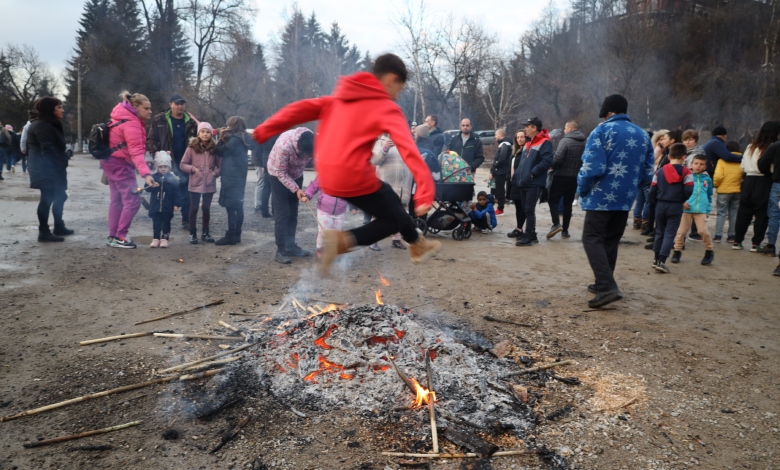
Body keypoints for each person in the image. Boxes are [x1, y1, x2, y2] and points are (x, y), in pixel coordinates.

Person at [252, 53, 439, 272]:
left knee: (391, 200)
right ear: (390, 79)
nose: (397, 96)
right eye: (398, 89)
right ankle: (343, 241)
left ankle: (416, 244)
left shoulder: (338, 99)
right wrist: (425, 190)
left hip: (329, 178)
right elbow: (409, 150)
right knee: (393, 219)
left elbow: (298, 109)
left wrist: (266, 128)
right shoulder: (386, 107)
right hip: (355, 176)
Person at [578, 94, 654, 307]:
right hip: (625, 198)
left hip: (600, 197)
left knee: (591, 238)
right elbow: (648, 173)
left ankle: (606, 286)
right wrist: (631, 188)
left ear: (606, 112)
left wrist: (582, 189)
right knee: (610, 240)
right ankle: (603, 281)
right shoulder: (643, 135)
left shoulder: (601, 131)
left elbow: (593, 167)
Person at [101, 92, 156, 248]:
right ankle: (120, 236)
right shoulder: (132, 123)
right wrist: (146, 174)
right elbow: (136, 152)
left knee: (117, 200)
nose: (150, 111)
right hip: (120, 165)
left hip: (110, 162)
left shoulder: (119, 117)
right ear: (135, 107)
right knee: (133, 201)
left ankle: (113, 236)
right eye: (146, 108)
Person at [146, 94, 199, 229]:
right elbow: (151, 139)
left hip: (186, 162)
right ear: (170, 105)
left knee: (187, 192)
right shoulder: (160, 119)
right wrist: (154, 153)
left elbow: (198, 140)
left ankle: (186, 220)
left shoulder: (190, 122)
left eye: (182, 104)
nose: (180, 106)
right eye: (177, 103)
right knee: (165, 191)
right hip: (167, 162)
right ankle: (164, 219)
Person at [263, 127, 314, 263]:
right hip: (278, 174)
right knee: (283, 212)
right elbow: (281, 173)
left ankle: (291, 246)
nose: (309, 158)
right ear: (300, 149)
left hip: (296, 174)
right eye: (308, 155)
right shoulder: (284, 146)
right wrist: (296, 189)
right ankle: (281, 250)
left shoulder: (313, 140)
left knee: (293, 212)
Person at [26, 97, 74, 242]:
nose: (62, 110)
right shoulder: (42, 125)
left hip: (52, 166)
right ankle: (44, 232)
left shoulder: (50, 124)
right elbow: (47, 149)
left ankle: (58, 226)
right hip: (45, 168)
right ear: (50, 110)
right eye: (59, 107)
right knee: (46, 199)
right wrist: (58, 167)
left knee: (60, 196)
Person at [733, 121, 779, 251]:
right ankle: (756, 243)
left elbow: (742, 165)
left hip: (748, 180)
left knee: (743, 211)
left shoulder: (750, 146)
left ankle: (737, 241)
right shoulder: (773, 147)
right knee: (761, 213)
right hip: (764, 181)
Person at [649, 143, 694, 273]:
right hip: (675, 205)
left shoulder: (659, 171)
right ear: (684, 157)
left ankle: (655, 259)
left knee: (659, 232)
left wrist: (655, 202)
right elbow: (690, 188)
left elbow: (652, 189)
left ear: (668, 156)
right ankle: (662, 261)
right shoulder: (686, 171)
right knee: (670, 234)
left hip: (661, 204)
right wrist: (682, 199)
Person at [512, 117, 554, 247]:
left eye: (527, 126)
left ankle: (529, 236)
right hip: (523, 182)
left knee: (529, 209)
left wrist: (532, 173)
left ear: (534, 128)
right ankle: (533, 235)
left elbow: (547, 160)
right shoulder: (528, 143)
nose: (525, 129)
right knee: (526, 209)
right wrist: (518, 175)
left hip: (534, 182)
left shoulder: (545, 142)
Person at [180, 122, 221, 245]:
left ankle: (205, 232)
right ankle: (192, 233)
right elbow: (183, 164)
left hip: (209, 182)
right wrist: (193, 169)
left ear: (211, 133)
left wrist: (214, 173)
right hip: (195, 182)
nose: (205, 134)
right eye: (202, 131)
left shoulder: (215, 149)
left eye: (207, 132)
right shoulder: (191, 148)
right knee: (194, 207)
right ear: (198, 133)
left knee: (206, 208)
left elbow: (221, 166)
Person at [372, 133, 414, 250]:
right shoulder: (380, 142)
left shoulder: (405, 142)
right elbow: (374, 160)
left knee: (400, 212)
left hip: (403, 183)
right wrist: (385, 148)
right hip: (386, 184)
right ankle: (373, 240)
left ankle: (396, 239)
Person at [671, 154, 714, 265]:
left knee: (703, 231)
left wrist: (708, 209)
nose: (698, 166)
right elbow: (679, 192)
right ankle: (677, 251)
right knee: (681, 232)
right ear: (691, 165)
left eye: (701, 164)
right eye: (696, 163)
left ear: (705, 167)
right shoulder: (687, 177)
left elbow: (709, 195)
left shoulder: (707, 179)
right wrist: (682, 202)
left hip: (701, 210)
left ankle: (709, 251)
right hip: (686, 209)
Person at [214, 116, 251, 246]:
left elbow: (219, 150)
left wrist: (221, 136)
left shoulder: (234, 140)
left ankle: (231, 236)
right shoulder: (244, 138)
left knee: (230, 207)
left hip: (231, 177)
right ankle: (237, 235)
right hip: (240, 177)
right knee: (239, 207)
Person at [547, 120, 585, 239]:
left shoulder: (565, 141)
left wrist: (551, 165)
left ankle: (556, 224)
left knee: (552, 199)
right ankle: (565, 231)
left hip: (561, 176)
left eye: (565, 128)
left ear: (570, 129)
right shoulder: (585, 141)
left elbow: (558, 158)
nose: (564, 130)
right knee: (568, 204)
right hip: (575, 177)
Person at [305, 175, 355, 257]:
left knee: (336, 234)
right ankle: (320, 251)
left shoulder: (348, 177)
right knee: (323, 232)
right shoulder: (325, 173)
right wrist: (307, 195)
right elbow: (314, 185)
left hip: (340, 212)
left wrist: (353, 206)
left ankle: (331, 252)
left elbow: (352, 192)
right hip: (324, 210)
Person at [143, 152, 183, 248]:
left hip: (167, 206)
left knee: (166, 223)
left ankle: (165, 238)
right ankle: (156, 238)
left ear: (169, 167)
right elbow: (147, 189)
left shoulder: (173, 178)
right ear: (157, 167)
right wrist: (152, 185)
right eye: (161, 167)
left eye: (165, 166)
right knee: (156, 223)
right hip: (155, 205)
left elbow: (177, 192)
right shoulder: (153, 177)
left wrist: (176, 204)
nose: (163, 169)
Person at [712, 141, 743, 243]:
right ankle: (731, 236)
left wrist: (716, 185)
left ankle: (718, 236)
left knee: (721, 213)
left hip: (724, 190)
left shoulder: (722, 160)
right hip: (738, 190)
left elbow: (718, 176)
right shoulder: (743, 160)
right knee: (734, 213)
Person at [681, 129, 707, 240]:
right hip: (688, 179)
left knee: (693, 204)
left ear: (695, 141)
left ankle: (694, 232)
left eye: (690, 140)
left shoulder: (696, 153)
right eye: (685, 140)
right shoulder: (686, 152)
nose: (687, 142)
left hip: (693, 181)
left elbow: (692, 168)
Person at [758, 138, 780, 257]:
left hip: (778, 183)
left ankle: (771, 245)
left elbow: (762, 164)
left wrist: (771, 174)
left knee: (774, 215)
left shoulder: (776, 146)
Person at [506, 130, 529, 239]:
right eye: (518, 137)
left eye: (522, 137)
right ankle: (519, 228)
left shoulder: (527, 151)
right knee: (518, 207)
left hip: (522, 183)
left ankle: (521, 229)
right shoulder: (515, 151)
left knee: (523, 207)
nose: (520, 139)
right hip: (513, 183)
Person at [489, 128, 512, 216]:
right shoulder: (503, 144)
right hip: (499, 171)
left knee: (500, 190)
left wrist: (495, 165)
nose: (495, 137)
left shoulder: (504, 144)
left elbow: (502, 158)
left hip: (501, 171)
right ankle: (498, 206)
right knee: (497, 189)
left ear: (500, 135)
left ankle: (500, 209)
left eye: (496, 135)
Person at [252, 136, 273, 218]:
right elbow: (259, 151)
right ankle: (258, 205)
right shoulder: (262, 137)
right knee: (261, 183)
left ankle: (258, 205)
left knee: (262, 183)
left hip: (260, 162)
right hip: (260, 163)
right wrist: (262, 165)